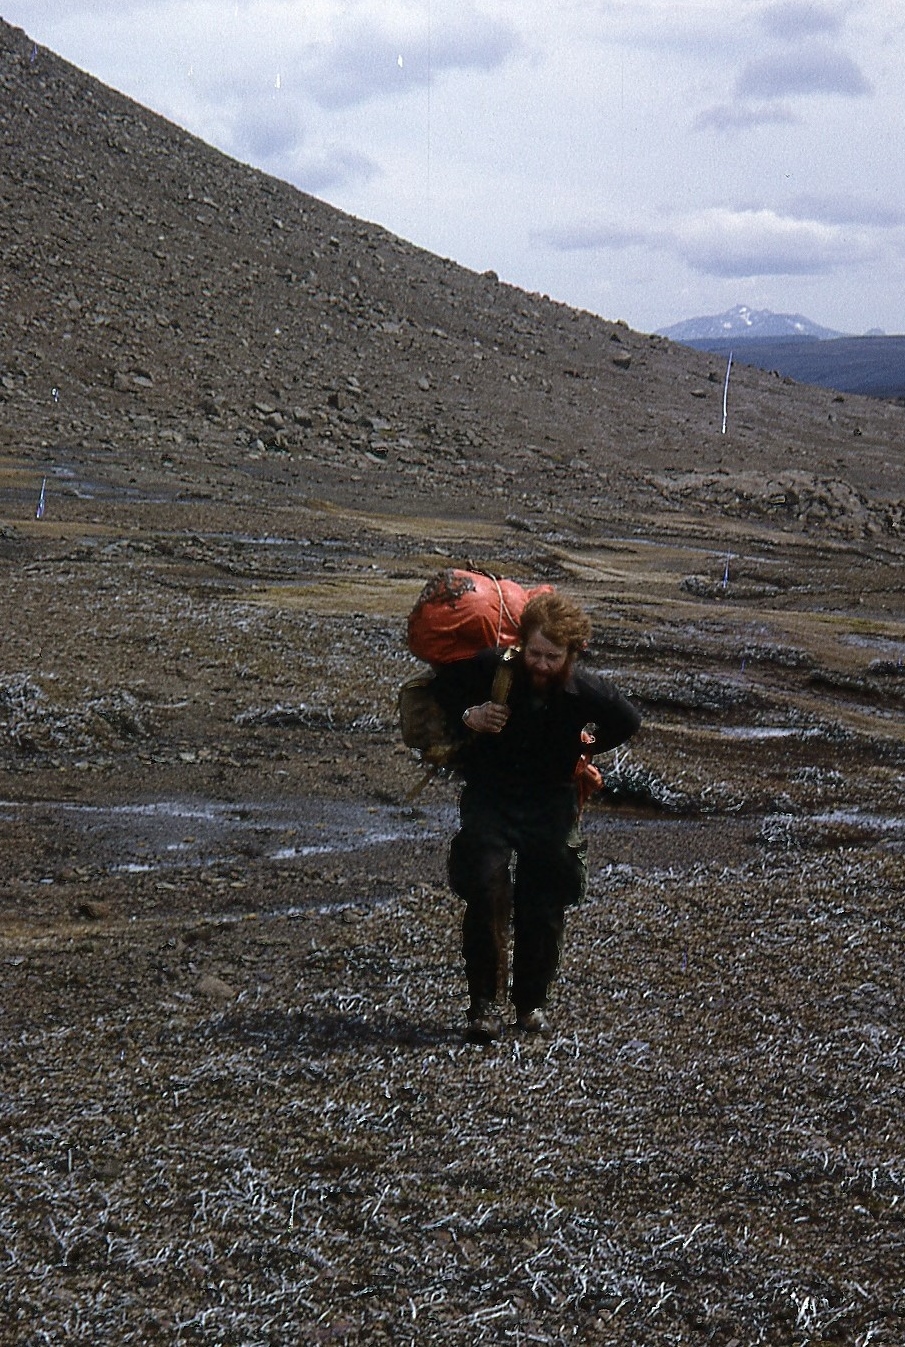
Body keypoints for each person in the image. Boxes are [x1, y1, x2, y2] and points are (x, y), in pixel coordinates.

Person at [432, 592, 641, 1043]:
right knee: (486, 890)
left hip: (550, 802)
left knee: (543, 904)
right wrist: (471, 714)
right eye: (535, 652)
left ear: (571, 654)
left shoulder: (587, 692)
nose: (541, 664)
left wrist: (587, 747)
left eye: (552, 656)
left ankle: (530, 1005)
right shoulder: (494, 668)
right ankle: (483, 1008)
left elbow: (627, 720)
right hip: (491, 796)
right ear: (521, 644)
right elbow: (442, 688)